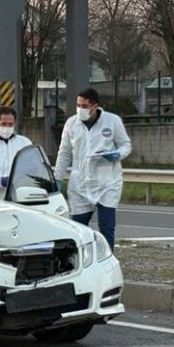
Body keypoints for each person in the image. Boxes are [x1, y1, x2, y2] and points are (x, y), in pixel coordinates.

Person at [53, 88, 132, 250]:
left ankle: (108, 262)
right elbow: (64, 153)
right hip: (80, 184)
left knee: (107, 228)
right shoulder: (71, 124)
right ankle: (78, 264)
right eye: (78, 105)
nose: (80, 109)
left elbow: (126, 145)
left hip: (107, 182)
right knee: (78, 229)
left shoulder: (112, 121)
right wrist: (57, 178)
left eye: (85, 106)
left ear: (95, 106)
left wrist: (117, 154)